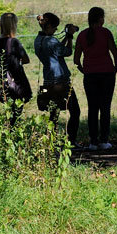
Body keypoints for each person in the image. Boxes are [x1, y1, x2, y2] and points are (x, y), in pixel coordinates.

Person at [74, 7, 117, 151]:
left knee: (92, 108)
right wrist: (116, 67)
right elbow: (115, 53)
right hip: (106, 73)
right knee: (105, 107)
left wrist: (84, 70)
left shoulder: (82, 35)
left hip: (90, 75)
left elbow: (76, 59)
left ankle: (93, 141)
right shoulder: (106, 33)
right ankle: (104, 141)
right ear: (101, 19)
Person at [34, 12, 81, 147]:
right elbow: (66, 52)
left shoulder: (38, 40)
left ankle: (51, 141)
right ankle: (71, 141)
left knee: (53, 113)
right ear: (49, 26)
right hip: (61, 81)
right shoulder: (52, 41)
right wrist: (70, 37)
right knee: (75, 111)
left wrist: (65, 37)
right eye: (55, 27)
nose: (56, 30)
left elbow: (56, 50)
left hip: (48, 80)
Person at [0, 13, 32, 125]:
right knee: (17, 109)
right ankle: (13, 131)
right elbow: (26, 59)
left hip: (5, 77)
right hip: (17, 77)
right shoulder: (14, 42)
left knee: (10, 108)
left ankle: (10, 131)